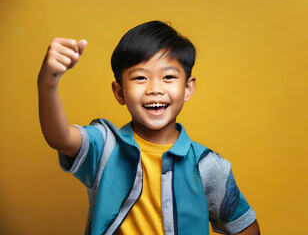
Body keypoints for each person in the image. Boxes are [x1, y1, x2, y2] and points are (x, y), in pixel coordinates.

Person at [37, 20, 260, 235]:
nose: (155, 88)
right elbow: (60, 138)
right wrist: (48, 84)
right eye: (140, 78)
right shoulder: (105, 146)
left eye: (169, 77)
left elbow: (245, 226)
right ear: (119, 92)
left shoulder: (208, 166)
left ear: (188, 88)